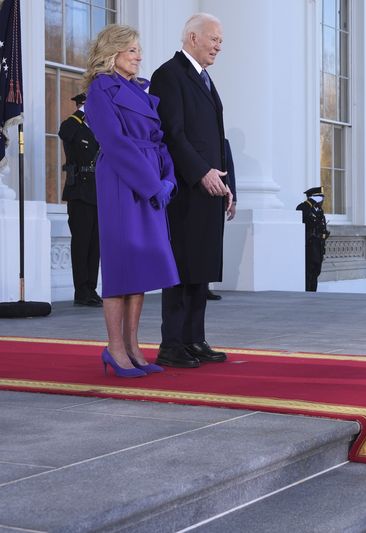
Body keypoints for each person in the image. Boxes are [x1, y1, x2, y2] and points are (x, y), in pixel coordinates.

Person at [83, 24, 180, 378]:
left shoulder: (140, 91)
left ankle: (134, 346)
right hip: (123, 180)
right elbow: (115, 143)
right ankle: (115, 349)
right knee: (121, 265)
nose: (139, 57)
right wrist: (151, 184)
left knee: (140, 265)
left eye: (139, 50)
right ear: (114, 52)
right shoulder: (100, 90)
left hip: (150, 178)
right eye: (133, 51)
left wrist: (167, 178)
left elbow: (159, 141)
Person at [150, 13, 233, 368]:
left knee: (201, 267)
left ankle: (194, 340)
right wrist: (201, 173)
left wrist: (230, 186)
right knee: (182, 267)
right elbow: (173, 133)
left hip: (212, 188)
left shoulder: (206, 79)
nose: (218, 45)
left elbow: (218, 137)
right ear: (193, 37)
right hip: (186, 188)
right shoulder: (168, 75)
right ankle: (172, 344)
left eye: (220, 41)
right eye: (214, 39)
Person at [59, 93, 102, 308]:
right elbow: (63, 133)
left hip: (98, 193)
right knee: (82, 243)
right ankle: (81, 290)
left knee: (95, 244)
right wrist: (81, 112)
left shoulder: (97, 130)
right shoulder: (73, 125)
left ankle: (91, 288)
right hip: (79, 193)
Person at [206, 138, 236, 302]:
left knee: (213, 244)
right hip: (202, 194)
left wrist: (234, 200)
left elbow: (229, 170)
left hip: (219, 197)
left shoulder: (223, 142)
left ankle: (207, 285)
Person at [296, 186, 330, 292]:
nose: (323, 201)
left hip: (318, 245)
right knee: (309, 272)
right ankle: (308, 293)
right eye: (321, 198)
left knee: (316, 271)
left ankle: (313, 293)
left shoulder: (319, 210)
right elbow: (306, 224)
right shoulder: (304, 207)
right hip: (309, 245)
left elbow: (321, 227)